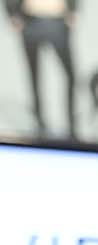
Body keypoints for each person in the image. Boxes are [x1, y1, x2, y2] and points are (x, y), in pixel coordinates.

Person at [7, 0, 77, 140]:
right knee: (35, 76)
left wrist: (73, 10)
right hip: (31, 21)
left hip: (57, 21)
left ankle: (72, 126)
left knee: (70, 76)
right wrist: (13, 14)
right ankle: (39, 124)